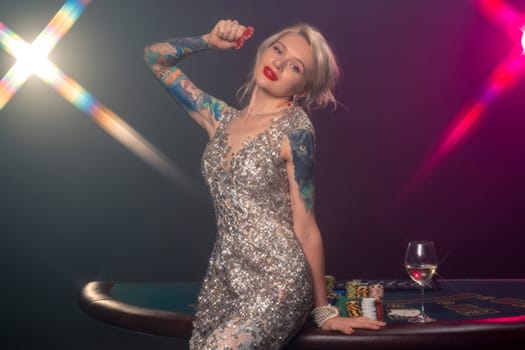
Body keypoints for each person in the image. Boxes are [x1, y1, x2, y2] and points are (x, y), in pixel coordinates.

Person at [144, 19, 386, 349]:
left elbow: (306, 225)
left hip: (279, 281)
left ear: (301, 88)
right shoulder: (219, 118)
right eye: (278, 50)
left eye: (295, 67)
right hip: (226, 280)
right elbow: (154, 57)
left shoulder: (296, 132)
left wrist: (322, 310)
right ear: (263, 50)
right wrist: (208, 41)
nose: (279, 64)